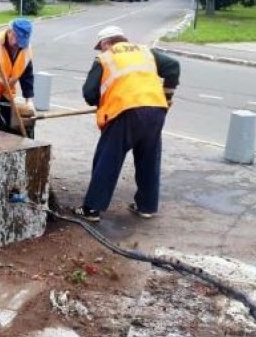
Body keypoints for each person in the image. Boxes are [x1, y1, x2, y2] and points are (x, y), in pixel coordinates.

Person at [73, 26, 179, 223]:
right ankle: (146, 206)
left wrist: (103, 101)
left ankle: (92, 209)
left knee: (108, 158)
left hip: (125, 112)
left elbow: (89, 94)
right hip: (156, 109)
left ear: (106, 43)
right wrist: (167, 96)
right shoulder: (146, 51)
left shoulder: (104, 58)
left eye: (101, 46)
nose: (101, 50)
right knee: (149, 159)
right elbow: (173, 66)